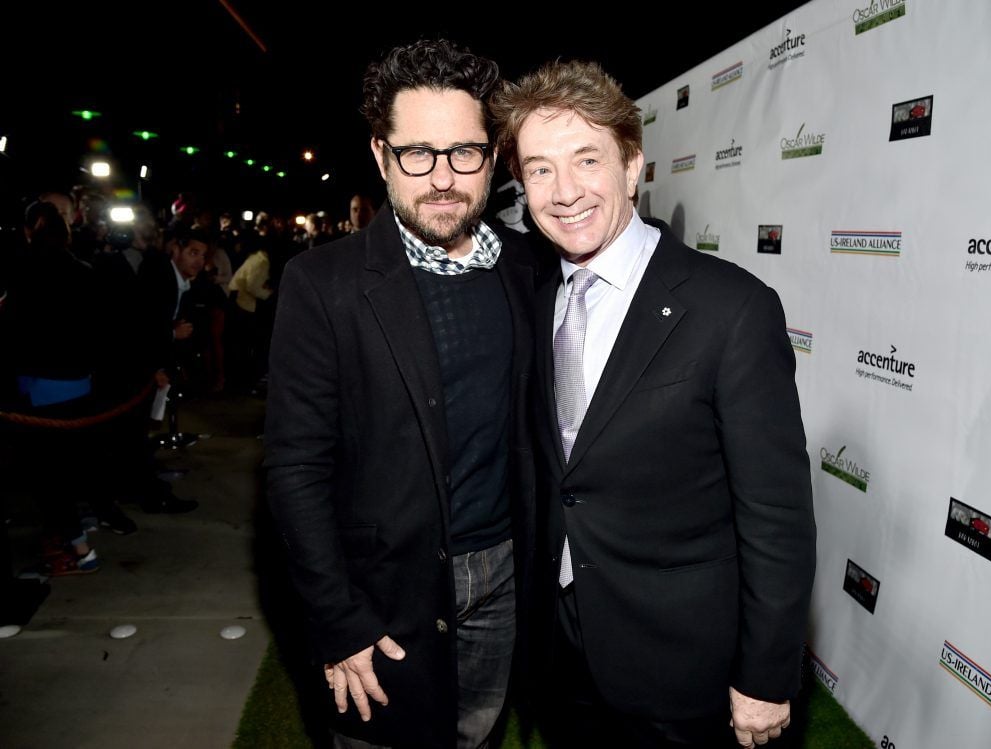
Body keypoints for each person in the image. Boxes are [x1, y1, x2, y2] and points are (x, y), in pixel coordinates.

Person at [491, 61, 816, 749]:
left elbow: (777, 515)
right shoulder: (531, 296)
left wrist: (765, 674)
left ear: (632, 165)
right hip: (563, 651)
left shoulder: (731, 309)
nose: (565, 191)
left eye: (587, 159)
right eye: (540, 169)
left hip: (685, 669)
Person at [263, 39, 536, 749]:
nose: (442, 178)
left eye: (463, 153)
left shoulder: (527, 271)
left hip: (505, 576)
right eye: (418, 153)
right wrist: (335, 616)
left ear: (492, 157)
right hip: (382, 591)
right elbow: (295, 466)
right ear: (382, 156)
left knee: (477, 734)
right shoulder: (322, 284)